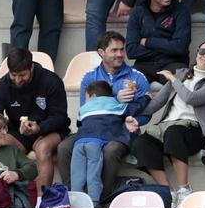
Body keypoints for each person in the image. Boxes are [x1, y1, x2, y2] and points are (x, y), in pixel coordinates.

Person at [133, 41, 205, 208]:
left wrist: (173, 79)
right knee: (141, 142)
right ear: (197, 53)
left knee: (174, 132)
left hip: (196, 130)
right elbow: (158, 101)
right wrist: (133, 116)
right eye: (202, 51)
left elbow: (192, 98)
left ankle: (184, 190)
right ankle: (168, 192)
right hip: (167, 126)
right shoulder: (181, 74)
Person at [56, 31, 151, 191]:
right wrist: (115, 99)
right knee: (64, 148)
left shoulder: (138, 77)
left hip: (122, 131)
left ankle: (102, 197)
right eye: (114, 50)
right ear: (101, 52)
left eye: (122, 50)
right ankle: (73, 197)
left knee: (110, 151)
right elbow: (85, 110)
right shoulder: (90, 77)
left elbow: (147, 113)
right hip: (93, 129)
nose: (120, 54)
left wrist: (135, 121)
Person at [0, 48, 68, 189]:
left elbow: (60, 117)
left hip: (49, 130)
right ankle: (5, 196)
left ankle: (41, 201)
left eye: (22, 75)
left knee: (42, 148)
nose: (18, 80)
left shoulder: (51, 81)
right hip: (18, 131)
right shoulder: (1, 86)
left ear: (31, 67)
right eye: (13, 75)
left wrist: (40, 127)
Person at [71, 81, 138, 206]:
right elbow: (130, 110)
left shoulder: (83, 108)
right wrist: (145, 98)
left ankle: (75, 203)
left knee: (77, 175)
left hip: (79, 143)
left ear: (93, 96)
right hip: (95, 143)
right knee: (93, 175)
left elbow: (79, 123)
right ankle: (94, 204)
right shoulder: (114, 104)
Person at [125, 0, 191, 81]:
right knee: (127, 82)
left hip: (173, 64)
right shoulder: (138, 12)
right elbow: (131, 51)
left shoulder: (181, 10)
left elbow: (180, 47)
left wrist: (148, 42)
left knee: (179, 80)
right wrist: (168, 45)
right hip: (144, 65)